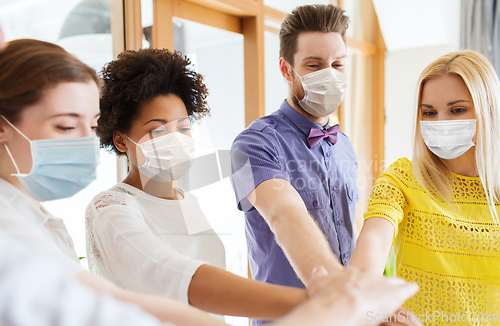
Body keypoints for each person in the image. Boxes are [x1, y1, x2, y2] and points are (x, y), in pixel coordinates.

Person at [86, 47, 309, 320]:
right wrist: (310, 303)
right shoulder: (111, 209)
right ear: (121, 141)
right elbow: (166, 274)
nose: (175, 138)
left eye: (182, 127)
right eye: (157, 130)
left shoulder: (187, 201)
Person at [350, 50, 500, 324]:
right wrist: (363, 293)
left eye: (457, 110)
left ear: (488, 109)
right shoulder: (404, 178)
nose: (440, 123)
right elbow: (374, 240)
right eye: (429, 112)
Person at [230, 2, 357, 307]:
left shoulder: (346, 146)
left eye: (337, 65)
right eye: (314, 65)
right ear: (286, 69)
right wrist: (341, 292)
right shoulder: (248, 146)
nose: (329, 74)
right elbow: (282, 215)